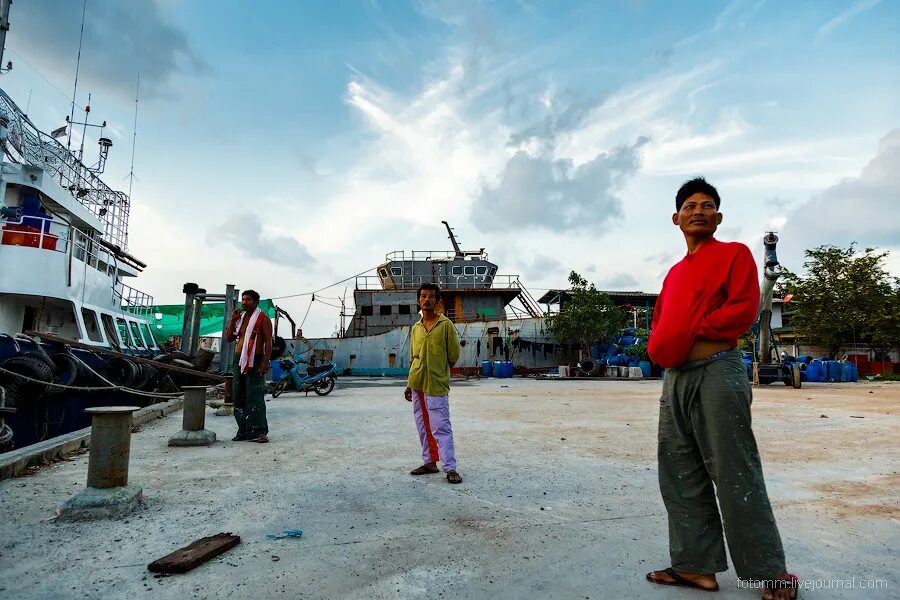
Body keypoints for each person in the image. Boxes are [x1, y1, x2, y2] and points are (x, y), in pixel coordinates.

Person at [645, 178, 797, 600]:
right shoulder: (674, 274)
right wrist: (663, 344)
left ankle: (768, 572)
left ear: (719, 216)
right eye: (690, 205)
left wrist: (687, 330)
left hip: (717, 371)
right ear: (676, 218)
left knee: (734, 470)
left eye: (707, 205)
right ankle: (695, 567)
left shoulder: (734, 254)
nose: (698, 210)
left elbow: (741, 311)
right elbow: (660, 326)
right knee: (678, 472)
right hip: (675, 378)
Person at [404, 283, 463, 484]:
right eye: (423, 296)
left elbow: (453, 355)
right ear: (418, 301)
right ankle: (429, 462)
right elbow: (414, 357)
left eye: (431, 296)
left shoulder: (445, 325)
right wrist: (408, 383)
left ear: (437, 301)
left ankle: (450, 468)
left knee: (441, 426)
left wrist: (439, 370)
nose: (426, 300)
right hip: (417, 382)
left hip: (436, 384)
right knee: (423, 425)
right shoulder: (416, 328)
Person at [225, 289, 273, 443]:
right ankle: (244, 431)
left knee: (255, 396)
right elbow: (229, 338)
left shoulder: (263, 319)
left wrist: (265, 362)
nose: (244, 302)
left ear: (256, 302)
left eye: (248, 300)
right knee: (238, 396)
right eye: (243, 299)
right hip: (239, 360)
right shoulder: (241, 318)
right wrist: (233, 320)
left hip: (256, 360)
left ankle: (259, 431)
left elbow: (268, 342)